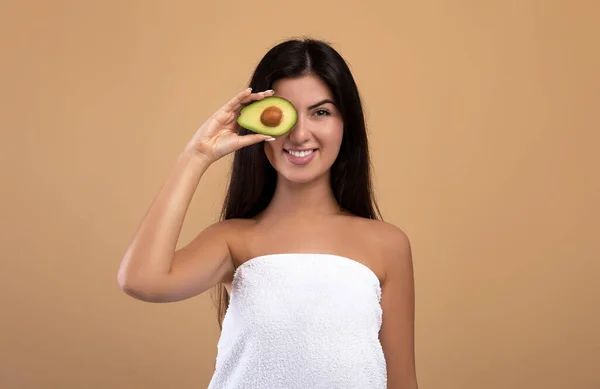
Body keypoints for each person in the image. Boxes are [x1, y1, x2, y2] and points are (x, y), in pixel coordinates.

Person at [117, 38, 418, 389]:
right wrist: (196, 156)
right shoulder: (233, 240)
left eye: (321, 112)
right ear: (258, 124)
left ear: (345, 124)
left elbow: (402, 382)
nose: (300, 133)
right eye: (281, 113)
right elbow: (140, 280)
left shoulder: (387, 245)